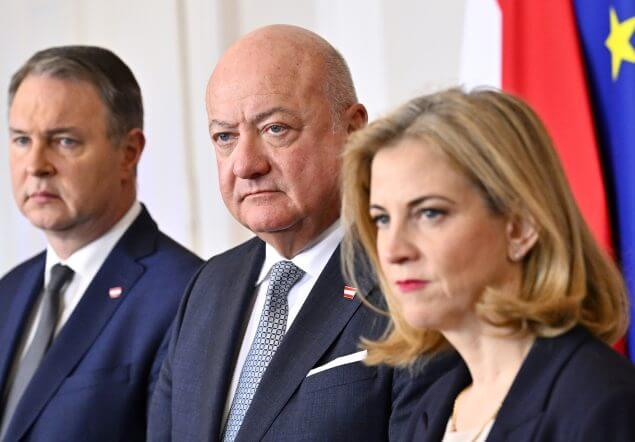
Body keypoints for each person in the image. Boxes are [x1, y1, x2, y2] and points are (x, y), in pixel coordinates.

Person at [148, 25, 453, 441]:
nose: (245, 164)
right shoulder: (207, 286)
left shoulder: (409, 278)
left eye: (275, 128)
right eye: (225, 137)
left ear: (353, 131)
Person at [341, 87, 635, 441]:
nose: (393, 250)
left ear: (521, 226)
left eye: (429, 213)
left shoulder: (602, 403)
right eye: (382, 219)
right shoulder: (430, 409)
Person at [0, 46, 202, 441]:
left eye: (64, 141)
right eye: (22, 140)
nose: (36, 165)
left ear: (129, 153)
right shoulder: (8, 291)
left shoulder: (186, 295)